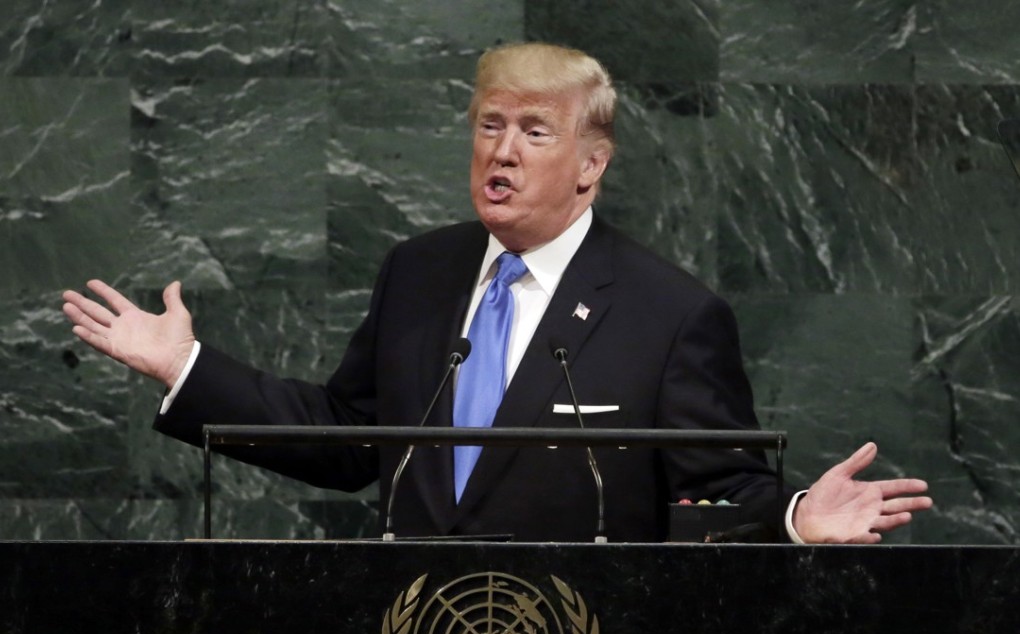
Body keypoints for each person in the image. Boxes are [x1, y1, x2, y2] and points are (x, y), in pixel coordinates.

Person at [61, 43, 931, 543]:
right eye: (490, 125)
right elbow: (354, 437)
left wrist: (789, 518)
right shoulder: (419, 271)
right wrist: (187, 366)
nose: (502, 151)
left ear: (592, 165)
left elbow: (712, 494)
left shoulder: (672, 313)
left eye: (534, 131)